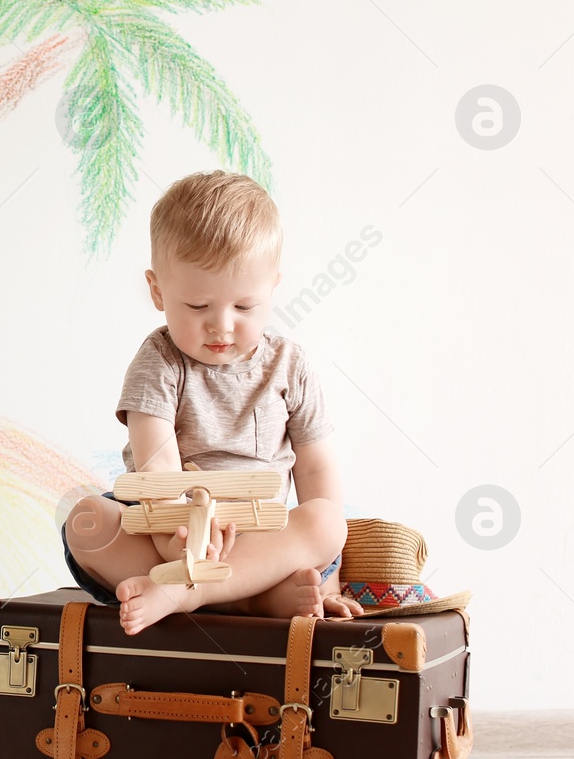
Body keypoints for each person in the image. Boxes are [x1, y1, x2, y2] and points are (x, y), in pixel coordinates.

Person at [62, 170, 361, 635]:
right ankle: (249, 599)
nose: (221, 325)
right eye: (198, 306)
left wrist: (329, 583)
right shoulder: (159, 362)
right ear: (158, 292)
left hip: (258, 536)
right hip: (170, 527)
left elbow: (317, 472)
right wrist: (179, 544)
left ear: (273, 288)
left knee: (327, 519)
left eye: (243, 307)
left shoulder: (291, 366)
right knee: (86, 519)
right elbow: (156, 469)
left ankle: (192, 594)